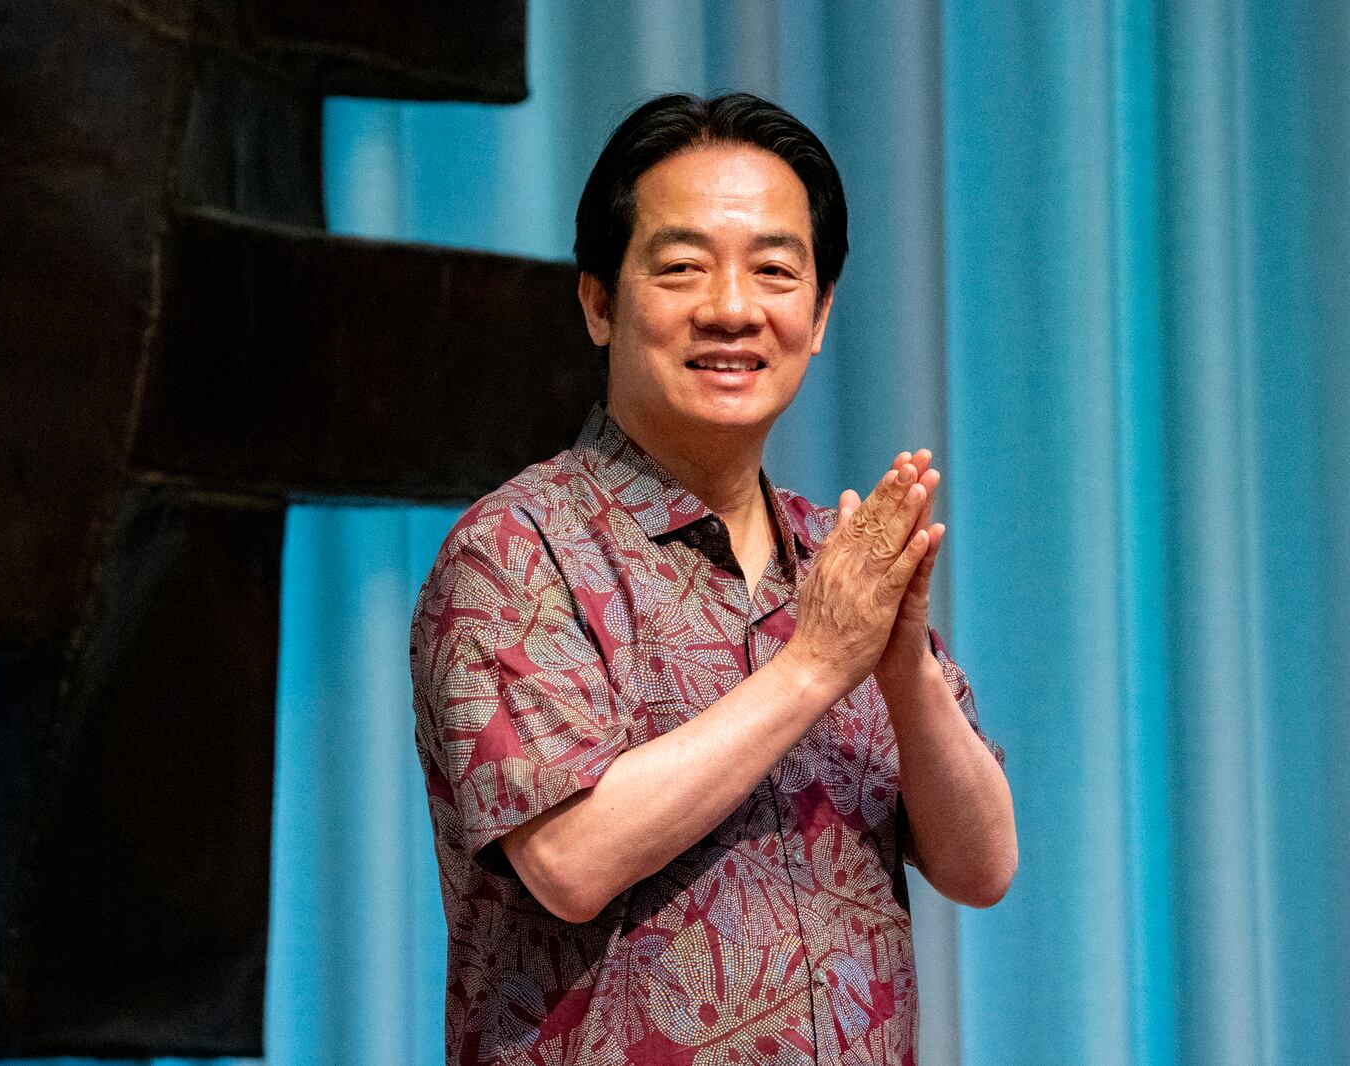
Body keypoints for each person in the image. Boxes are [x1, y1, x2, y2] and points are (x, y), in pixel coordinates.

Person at [410, 92, 1017, 1066]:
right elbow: (570, 859)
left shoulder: (840, 562)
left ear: (817, 317)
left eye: (774, 271)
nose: (732, 308)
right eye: (683, 267)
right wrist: (817, 661)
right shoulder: (514, 549)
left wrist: (899, 663)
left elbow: (982, 864)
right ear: (599, 302)